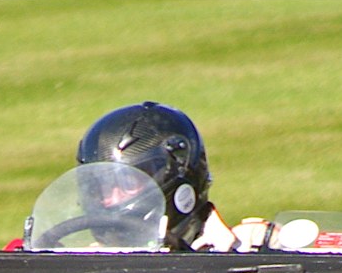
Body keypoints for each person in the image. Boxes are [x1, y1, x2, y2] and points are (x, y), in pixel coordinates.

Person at [75, 101, 239, 251]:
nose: (112, 200)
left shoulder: (242, 254)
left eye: (128, 183)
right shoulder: (84, 266)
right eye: (101, 188)